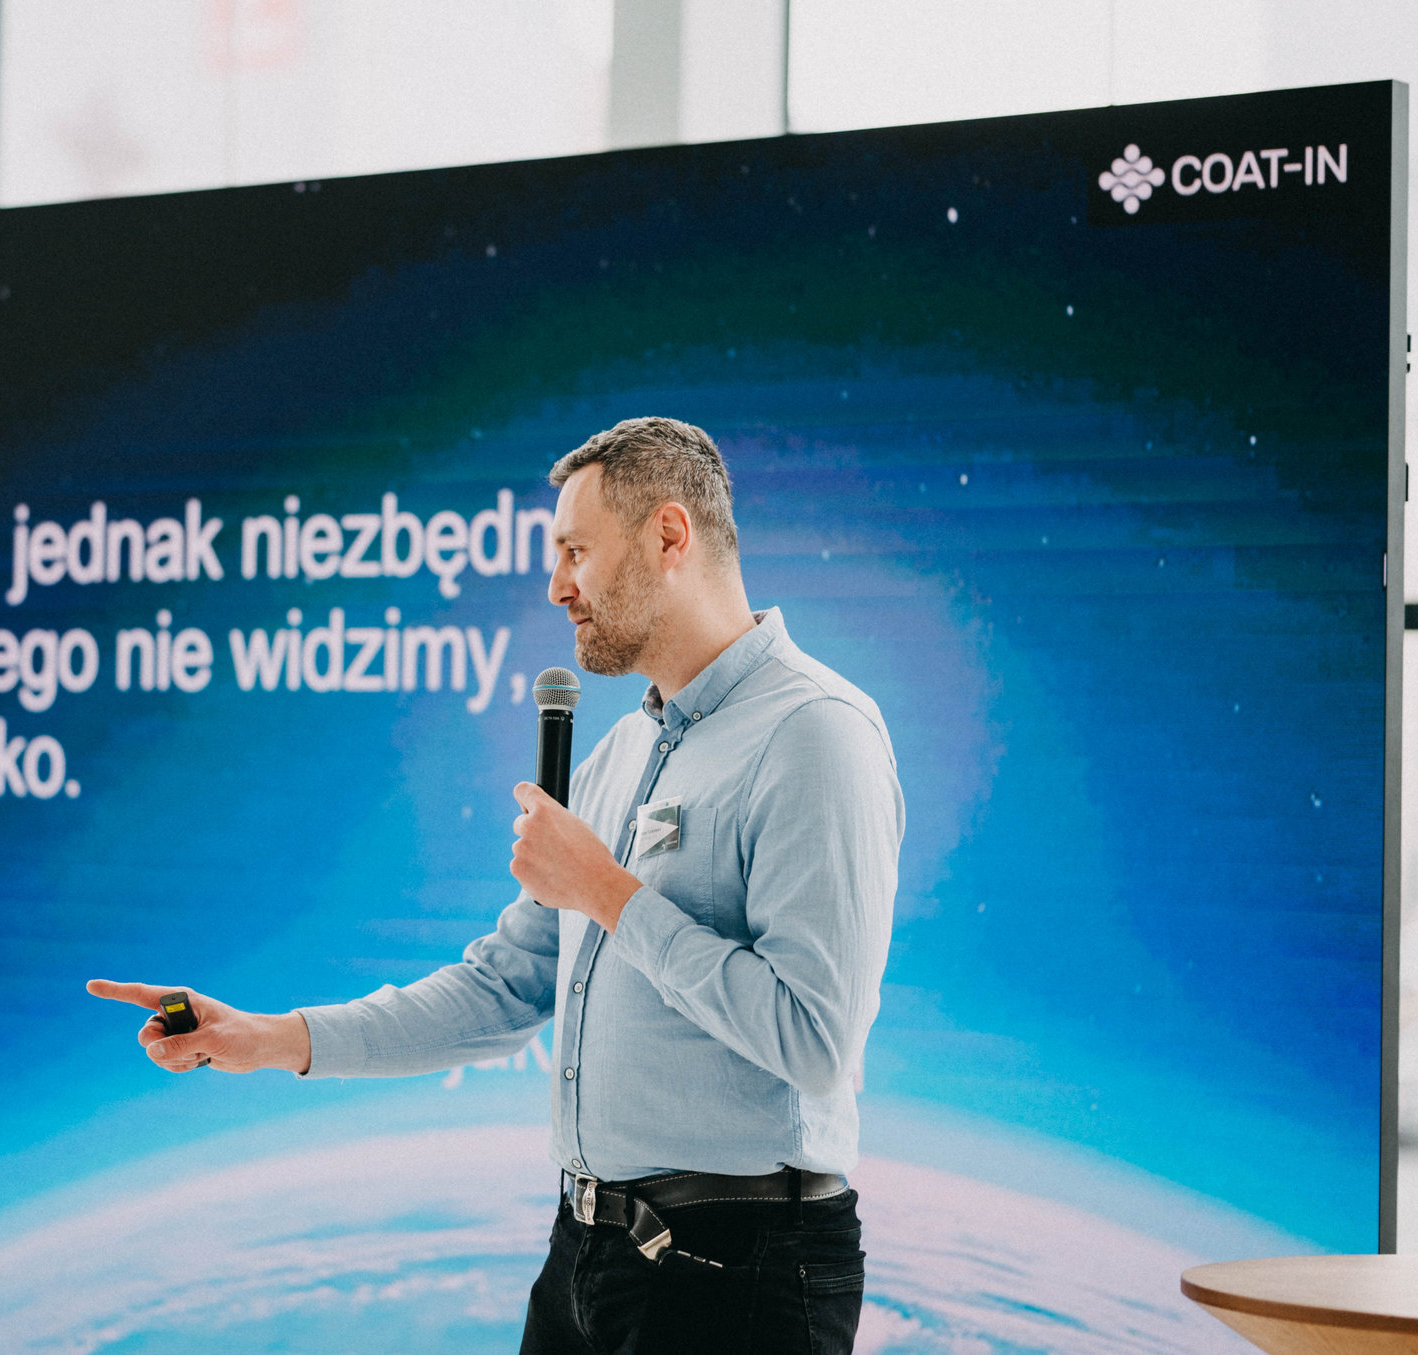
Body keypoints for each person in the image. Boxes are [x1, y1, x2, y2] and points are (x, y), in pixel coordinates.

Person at [88, 416, 903, 1354]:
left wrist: (609, 894)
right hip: (588, 1256)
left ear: (669, 536)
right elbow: (502, 987)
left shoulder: (814, 734)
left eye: (576, 552)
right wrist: (270, 1038)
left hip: (739, 1273)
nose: (557, 586)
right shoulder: (620, 753)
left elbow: (814, 1040)